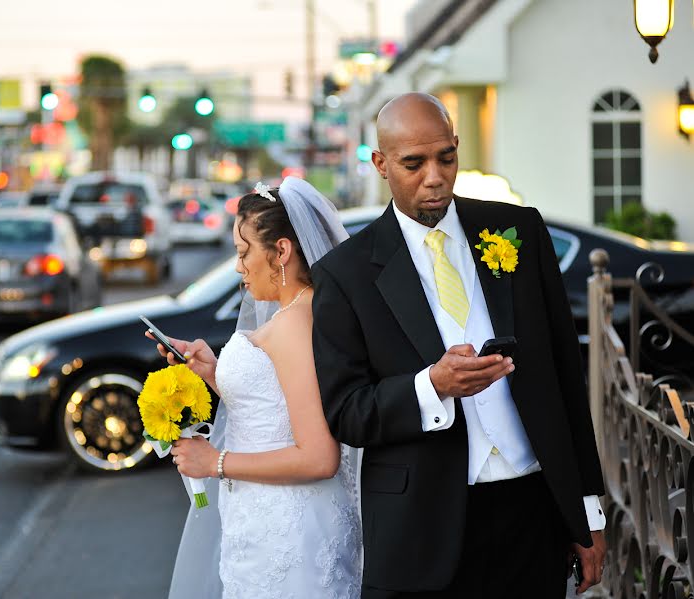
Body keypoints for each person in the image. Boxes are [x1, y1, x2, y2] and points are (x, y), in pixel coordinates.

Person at [311, 93, 606, 598]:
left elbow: (565, 381)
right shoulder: (346, 273)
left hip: (531, 508)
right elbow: (346, 412)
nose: (435, 176)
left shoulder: (519, 233)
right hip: (421, 529)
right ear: (381, 163)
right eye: (414, 163)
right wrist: (431, 387)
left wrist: (588, 511)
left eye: (446, 157)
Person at [150, 177, 362, 599]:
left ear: (281, 251)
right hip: (264, 517)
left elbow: (319, 457)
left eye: (244, 252)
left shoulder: (293, 324)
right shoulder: (297, 314)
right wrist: (213, 373)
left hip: (289, 528)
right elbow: (279, 399)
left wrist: (216, 463)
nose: (238, 266)